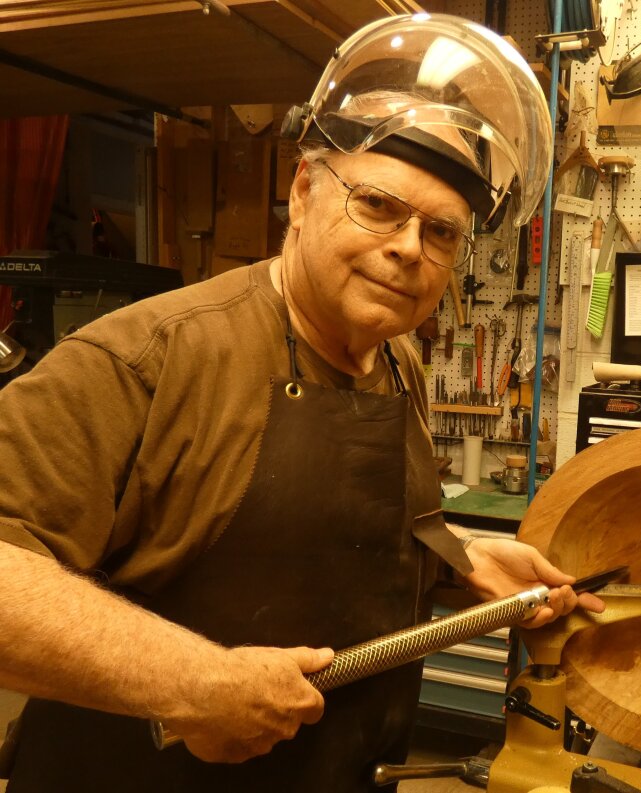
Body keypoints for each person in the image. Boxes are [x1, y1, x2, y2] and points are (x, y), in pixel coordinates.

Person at [0, 13, 603, 792]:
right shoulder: (149, 357)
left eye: (441, 233)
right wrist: (187, 680)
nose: (409, 248)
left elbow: (350, 543)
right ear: (304, 188)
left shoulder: (399, 364)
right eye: (379, 205)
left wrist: (462, 559)